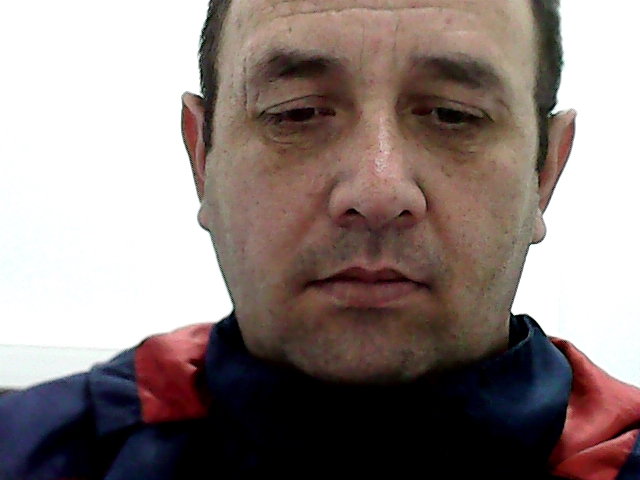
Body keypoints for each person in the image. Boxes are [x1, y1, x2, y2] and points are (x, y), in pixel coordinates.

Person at [1, 0, 639, 478]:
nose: (378, 190)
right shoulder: (33, 453)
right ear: (202, 159)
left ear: (545, 172)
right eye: (297, 112)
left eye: (453, 115)